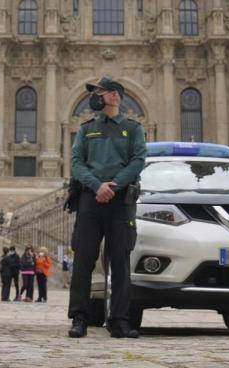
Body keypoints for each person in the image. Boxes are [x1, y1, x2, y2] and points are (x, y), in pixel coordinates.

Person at [68, 77, 146, 339]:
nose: (94, 97)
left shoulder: (133, 128)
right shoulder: (86, 128)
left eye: (99, 92)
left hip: (120, 201)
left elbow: (138, 160)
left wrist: (114, 185)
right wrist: (97, 186)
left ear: (113, 96)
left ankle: (119, 320)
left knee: (120, 262)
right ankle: (79, 318)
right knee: (83, 261)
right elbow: (77, 162)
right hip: (90, 200)